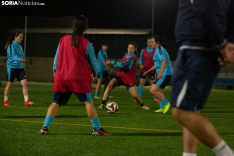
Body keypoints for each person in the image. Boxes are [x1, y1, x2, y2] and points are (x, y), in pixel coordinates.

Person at [171, 1, 234, 156]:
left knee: (181, 112)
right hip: (210, 49)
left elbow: (201, 6)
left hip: (195, 46)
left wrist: (221, 42)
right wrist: (228, 42)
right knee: (192, 110)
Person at [38, 15, 111, 136]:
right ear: (85, 28)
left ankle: (45, 128)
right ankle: (97, 129)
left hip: (61, 77)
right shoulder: (87, 43)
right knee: (88, 102)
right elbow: (94, 62)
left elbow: (56, 60)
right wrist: (96, 75)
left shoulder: (63, 40)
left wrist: (55, 73)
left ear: (73, 26)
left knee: (56, 102)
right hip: (79, 78)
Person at [98, 42, 150, 110]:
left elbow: (122, 65)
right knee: (109, 85)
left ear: (134, 50)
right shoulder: (126, 54)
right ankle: (102, 104)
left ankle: (142, 105)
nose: (130, 49)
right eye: (129, 48)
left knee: (135, 96)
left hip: (129, 78)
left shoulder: (132, 58)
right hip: (120, 75)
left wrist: (112, 62)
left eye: (132, 48)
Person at [3, 31, 34, 107]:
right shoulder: (11, 45)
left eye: (22, 37)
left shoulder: (19, 46)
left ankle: (26, 101)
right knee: (9, 84)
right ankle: (5, 101)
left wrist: (21, 60)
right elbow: (12, 56)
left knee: (25, 84)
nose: (21, 38)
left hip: (20, 67)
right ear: (15, 37)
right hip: (12, 67)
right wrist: (20, 59)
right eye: (20, 36)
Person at [144, 36, 172, 114]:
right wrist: (148, 71)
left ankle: (166, 103)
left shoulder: (159, 49)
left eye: (152, 41)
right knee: (158, 91)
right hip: (163, 73)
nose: (151, 43)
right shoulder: (157, 50)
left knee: (153, 90)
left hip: (165, 73)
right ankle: (162, 107)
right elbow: (157, 64)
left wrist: (160, 73)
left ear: (157, 42)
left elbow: (164, 61)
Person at [136, 37, 158, 103]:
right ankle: (138, 97)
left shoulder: (155, 50)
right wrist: (140, 64)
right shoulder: (143, 50)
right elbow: (141, 59)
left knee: (152, 84)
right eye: (148, 42)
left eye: (151, 42)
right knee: (141, 83)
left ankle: (155, 98)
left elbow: (157, 60)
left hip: (152, 70)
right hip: (143, 69)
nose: (149, 43)